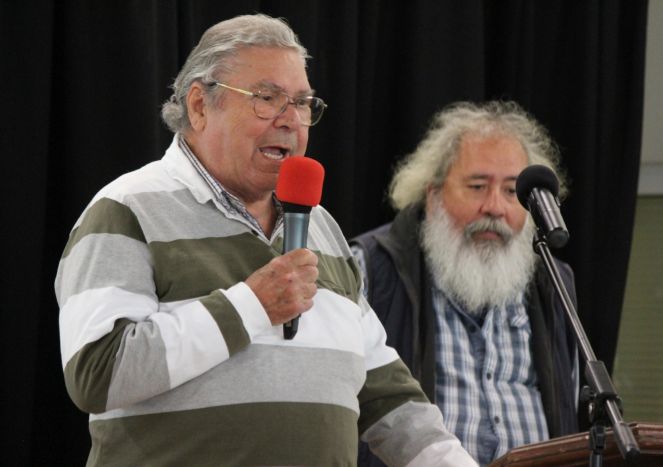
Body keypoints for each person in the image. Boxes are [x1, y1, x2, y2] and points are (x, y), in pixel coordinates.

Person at [55, 14, 478, 467]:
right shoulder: (128, 207)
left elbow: (385, 394)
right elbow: (98, 372)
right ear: (199, 105)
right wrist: (251, 306)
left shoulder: (320, 227)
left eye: (302, 103)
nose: (292, 121)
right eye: (267, 98)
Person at [351, 101, 580, 466]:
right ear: (434, 194)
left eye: (511, 192)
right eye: (477, 186)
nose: (495, 207)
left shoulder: (553, 282)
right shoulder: (372, 271)